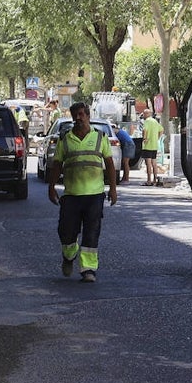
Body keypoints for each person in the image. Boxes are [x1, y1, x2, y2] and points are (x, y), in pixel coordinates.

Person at [47, 102, 117, 283]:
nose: (78, 118)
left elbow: (109, 164)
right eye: (75, 115)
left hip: (95, 195)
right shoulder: (65, 139)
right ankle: (69, 256)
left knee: (92, 232)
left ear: (87, 116)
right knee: (66, 232)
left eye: (81, 114)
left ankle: (88, 269)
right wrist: (51, 187)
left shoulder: (100, 137)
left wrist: (113, 189)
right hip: (71, 195)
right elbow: (57, 164)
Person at [139, 110, 163, 186]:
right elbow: (161, 130)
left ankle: (149, 180)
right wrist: (157, 138)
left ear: (146, 114)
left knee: (148, 164)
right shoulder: (155, 121)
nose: (143, 115)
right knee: (154, 163)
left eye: (144, 114)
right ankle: (155, 180)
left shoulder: (147, 121)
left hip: (147, 145)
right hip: (154, 145)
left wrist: (144, 138)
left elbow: (144, 130)